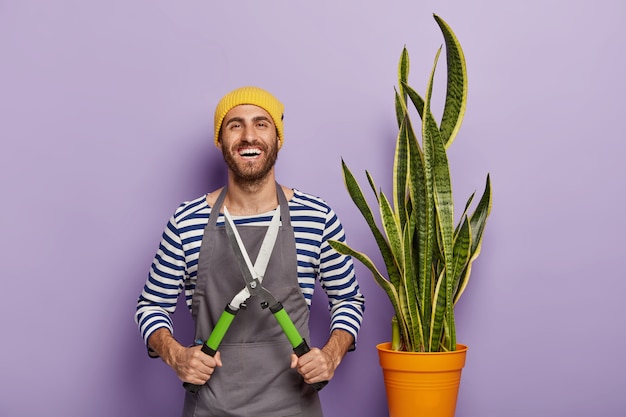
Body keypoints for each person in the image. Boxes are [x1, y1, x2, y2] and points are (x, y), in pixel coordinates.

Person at [135, 86, 365, 417]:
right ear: (220, 140)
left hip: (294, 407)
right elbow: (151, 306)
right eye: (235, 125)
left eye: (261, 124)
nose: (248, 136)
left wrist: (331, 353)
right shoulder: (186, 221)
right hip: (210, 406)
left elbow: (349, 300)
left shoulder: (317, 217)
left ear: (277, 138)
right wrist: (175, 355)